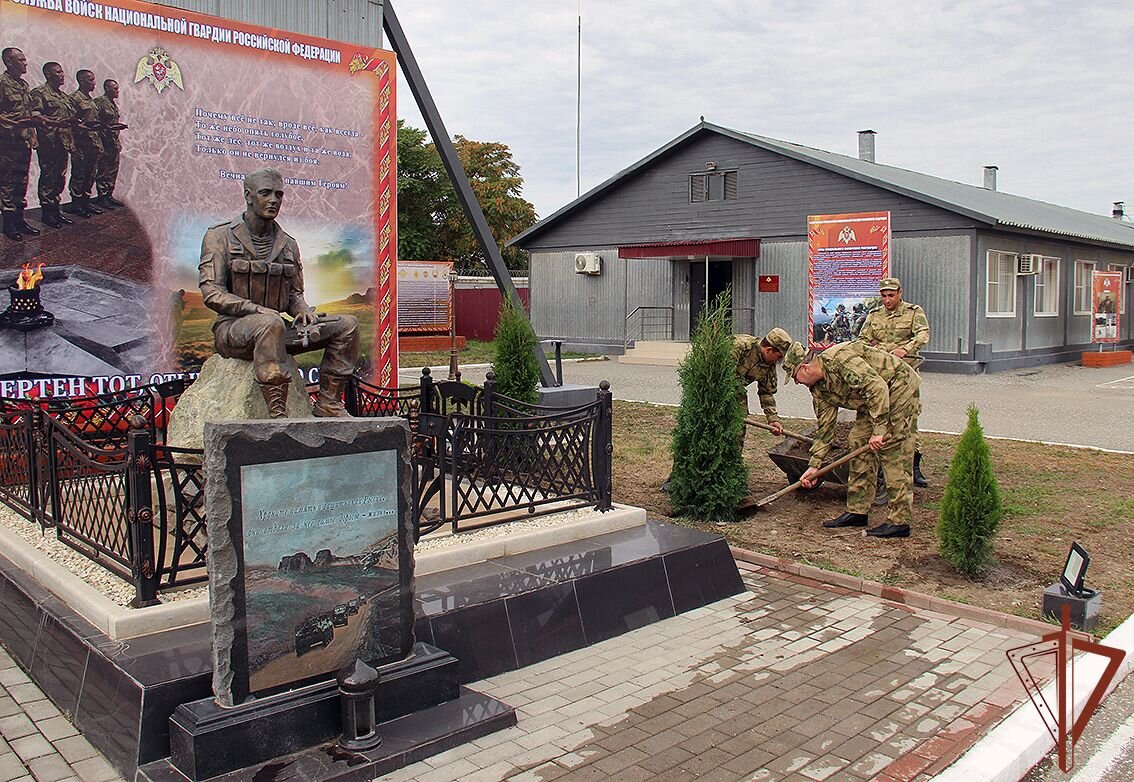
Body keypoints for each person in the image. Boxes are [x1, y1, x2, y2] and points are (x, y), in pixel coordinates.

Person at [198, 167, 360, 418]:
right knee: (270, 323)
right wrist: (256, 310)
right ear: (248, 196)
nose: (274, 200)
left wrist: (303, 310)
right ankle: (277, 415)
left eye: (279, 194)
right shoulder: (219, 236)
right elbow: (212, 292)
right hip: (233, 331)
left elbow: (294, 294)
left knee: (346, 325)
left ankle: (329, 403)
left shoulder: (288, 243)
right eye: (265, 193)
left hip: (278, 329)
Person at [783, 339, 921, 539]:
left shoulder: (840, 360)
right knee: (857, 439)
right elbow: (825, 429)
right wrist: (814, 466)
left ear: (804, 368)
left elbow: (877, 388)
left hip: (898, 387)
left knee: (892, 450)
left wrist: (879, 431)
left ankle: (899, 522)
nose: (796, 382)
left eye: (795, 377)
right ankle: (858, 511)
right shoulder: (819, 390)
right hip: (871, 401)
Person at [857, 276, 931, 487]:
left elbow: (923, 334)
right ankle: (875, 461)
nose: (887, 300)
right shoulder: (874, 315)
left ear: (899, 293)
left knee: (908, 420)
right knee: (878, 414)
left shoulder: (913, 312)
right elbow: (862, 340)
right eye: (883, 296)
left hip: (904, 375)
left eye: (891, 295)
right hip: (880, 375)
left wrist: (905, 349)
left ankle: (913, 466)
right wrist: (871, 351)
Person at [29, 61, 75, 229]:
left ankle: (56, 211)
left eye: (62, 72)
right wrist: (57, 122)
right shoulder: (39, 93)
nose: (62, 75)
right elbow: (35, 116)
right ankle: (47, 213)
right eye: (58, 72)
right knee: (49, 176)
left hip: (63, 143)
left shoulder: (63, 97)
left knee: (60, 177)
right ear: (48, 74)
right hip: (49, 142)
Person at [0, 47, 39, 241]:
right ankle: (8, 224)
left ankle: (19, 219)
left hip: (24, 142)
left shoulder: (23, 85)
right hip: (8, 143)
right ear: (9, 61)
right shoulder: (2, 83)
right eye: (21, 60)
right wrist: (14, 124)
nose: (25, 63)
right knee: (7, 183)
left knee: (21, 182)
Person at [733, 327, 792, 440]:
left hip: (736, 392)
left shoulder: (769, 365)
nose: (778, 361)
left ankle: (734, 456)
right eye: (779, 356)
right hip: (713, 390)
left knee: (738, 431)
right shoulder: (740, 346)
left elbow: (766, 392)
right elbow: (717, 375)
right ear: (769, 350)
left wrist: (772, 419)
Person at [66, 68, 103, 218]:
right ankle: (76, 204)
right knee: (79, 174)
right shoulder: (74, 98)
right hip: (81, 143)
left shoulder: (91, 100)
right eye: (90, 80)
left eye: (94, 79)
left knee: (90, 174)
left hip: (93, 143)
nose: (94, 83)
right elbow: (70, 122)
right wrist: (86, 126)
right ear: (81, 81)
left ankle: (85, 202)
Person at [93, 79, 126, 209]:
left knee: (113, 169)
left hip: (113, 142)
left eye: (117, 89)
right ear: (107, 88)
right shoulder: (99, 103)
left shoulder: (112, 104)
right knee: (104, 169)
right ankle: (102, 196)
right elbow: (94, 123)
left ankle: (109, 195)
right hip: (104, 142)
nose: (117, 91)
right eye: (115, 89)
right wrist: (109, 128)